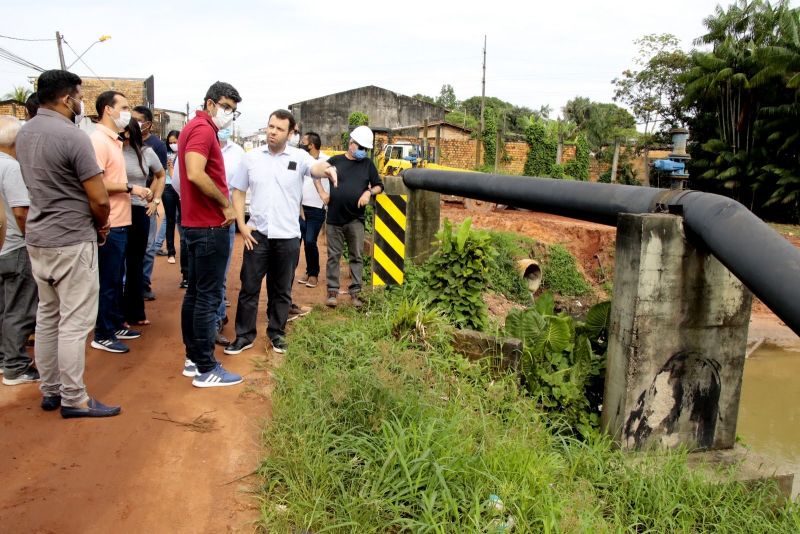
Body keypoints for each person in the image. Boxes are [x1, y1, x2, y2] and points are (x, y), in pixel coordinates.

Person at [16, 69, 120, 417]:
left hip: (38, 237)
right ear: (65, 98)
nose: (80, 102)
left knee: (47, 316)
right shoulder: (74, 137)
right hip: (72, 238)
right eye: (78, 95)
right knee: (74, 323)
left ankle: (51, 391)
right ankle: (74, 398)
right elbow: (100, 199)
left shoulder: (25, 133)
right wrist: (102, 226)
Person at [224, 109, 337, 356]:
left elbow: (315, 168)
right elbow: (238, 191)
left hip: (287, 237)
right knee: (249, 288)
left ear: (291, 133)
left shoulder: (299, 157)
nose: (273, 132)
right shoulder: (251, 158)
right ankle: (244, 336)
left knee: (282, 289)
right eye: (270, 126)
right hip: (258, 236)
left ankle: (277, 333)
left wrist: (327, 169)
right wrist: (242, 226)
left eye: (279, 129)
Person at [179, 81, 243, 387]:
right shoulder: (203, 130)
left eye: (233, 109)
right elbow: (194, 172)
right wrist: (225, 205)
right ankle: (206, 367)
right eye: (225, 106)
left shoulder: (194, 128)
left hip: (195, 225)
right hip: (209, 226)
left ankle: (193, 359)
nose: (228, 113)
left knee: (195, 294)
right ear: (209, 103)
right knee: (207, 297)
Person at [89, 91, 151, 354]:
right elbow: (96, 183)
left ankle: (114, 324)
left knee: (115, 279)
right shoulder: (98, 141)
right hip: (110, 221)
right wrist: (130, 188)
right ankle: (102, 332)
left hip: (121, 219)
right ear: (107, 110)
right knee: (108, 280)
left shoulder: (113, 141)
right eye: (124, 107)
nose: (128, 112)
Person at [321, 125, 383, 308]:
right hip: (334, 219)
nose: (363, 152)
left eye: (366, 149)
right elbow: (315, 174)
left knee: (356, 256)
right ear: (351, 143)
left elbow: (379, 185)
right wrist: (322, 194)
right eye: (361, 147)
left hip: (355, 219)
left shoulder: (367, 165)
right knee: (334, 256)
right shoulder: (335, 161)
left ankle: (355, 293)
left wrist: (368, 192)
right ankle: (332, 293)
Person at [0, 116, 39, 385]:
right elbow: (20, 211)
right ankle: (14, 365)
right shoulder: (11, 167)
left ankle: (5, 359)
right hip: (14, 245)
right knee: (20, 308)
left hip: (2, 247)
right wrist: (31, 241)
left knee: (4, 307)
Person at [122, 120, 164, 328]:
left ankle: (135, 312)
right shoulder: (111, 149)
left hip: (138, 211)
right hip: (115, 212)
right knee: (115, 265)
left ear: (130, 132)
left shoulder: (146, 152)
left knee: (135, 263)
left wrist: (155, 200)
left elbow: (161, 174)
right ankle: (115, 314)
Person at [214, 126, 244, 346]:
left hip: (228, 217)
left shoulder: (238, 153)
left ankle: (218, 317)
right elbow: (179, 182)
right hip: (203, 216)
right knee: (206, 275)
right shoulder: (201, 144)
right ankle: (214, 317)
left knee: (221, 271)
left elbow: (242, 187)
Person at [134, 106, 168, 302]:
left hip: (146, 202)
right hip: (128, 202)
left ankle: (144, 283)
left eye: (138, 120)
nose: (134, 123)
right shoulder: (124, 142)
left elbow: (159, 175)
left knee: (148, 247)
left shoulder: (156, 145)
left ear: (148, 124)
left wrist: (153, 201)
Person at [295, 131, 329, 289]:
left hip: (317, 208)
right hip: (299, 208)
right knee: (297, 242)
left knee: (310, 241)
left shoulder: (326, 161)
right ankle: (306, 272)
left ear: (312, 145)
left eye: (303, 141)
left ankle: (314, 274)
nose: (300, 143)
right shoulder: (298, 160)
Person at [153, 130, 181, 265]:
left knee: (182, 220)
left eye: (175, 142)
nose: (173, 145)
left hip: (181, 189)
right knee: (169, 220)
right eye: (170, 142)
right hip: (168, 188)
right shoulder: (165, 154)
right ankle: (171, 251)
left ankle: (186, 248)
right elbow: (159, 173)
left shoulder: (184, 155)